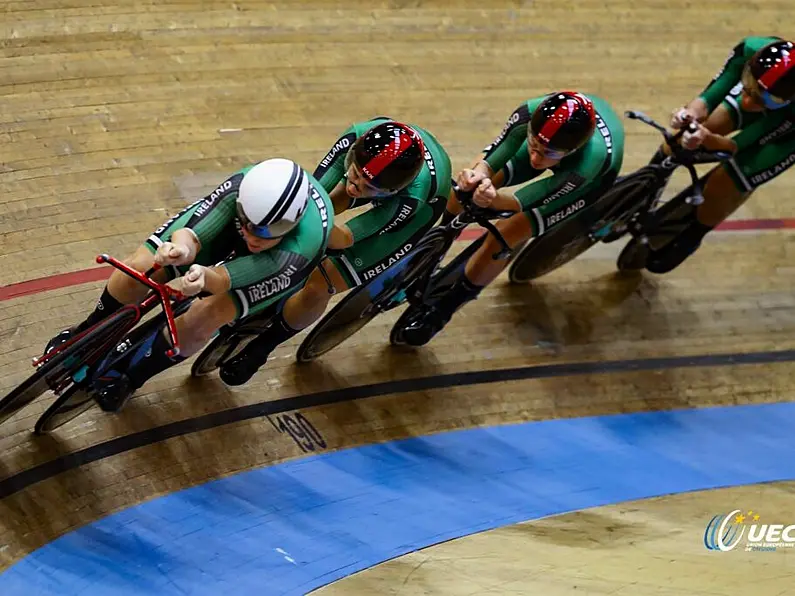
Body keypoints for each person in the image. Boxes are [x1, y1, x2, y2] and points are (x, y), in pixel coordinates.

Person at [43, 158, 333, 411]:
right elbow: (193, 234)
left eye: (269, 231)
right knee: (139, 268)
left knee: (204, 316)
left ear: (291, 223)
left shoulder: (297, 247)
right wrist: (180, 251)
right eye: (247, 224)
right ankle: (87, 331)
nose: (254, 236)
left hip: (281, 262)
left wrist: (202, 278)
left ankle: (132, 378)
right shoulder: (239, 188)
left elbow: (220, 280)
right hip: (244, 222)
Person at [218, 119, 452, 385]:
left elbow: (346, 237)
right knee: (310, 211)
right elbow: (312, 203)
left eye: (368, 186)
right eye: (355, 172)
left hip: (421, 210)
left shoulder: (410, 199)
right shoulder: (356, 137)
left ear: (390, 189)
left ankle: (263, 347)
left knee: (321, 282)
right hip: (383, 170)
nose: (356, 186)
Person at [398, 90, 625, 345]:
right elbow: (498, 151)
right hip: (554, 146)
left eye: (547, 153)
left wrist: (493, 200)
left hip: (587, 183)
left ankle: (444, 310)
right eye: (534, 146)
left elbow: (525, 201)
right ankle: (434, 250)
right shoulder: (530, 113)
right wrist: (477, 177)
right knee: (463, 190)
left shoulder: (589, 162)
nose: (536, 158)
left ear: (572, 150)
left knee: (507, 234)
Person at [646, 36, 795, 273]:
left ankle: (693, 236)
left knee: (724, 182)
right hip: (773, 101)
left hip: (787, 133)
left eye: (758, 97)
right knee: (680, 138)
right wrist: (690, 114)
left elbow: (737, 146)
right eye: (748, 84)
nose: (746, 100)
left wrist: (707, 139)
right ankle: (646, 185)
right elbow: (713, 94)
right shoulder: (752, 50)